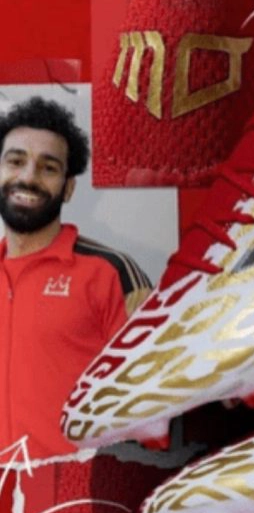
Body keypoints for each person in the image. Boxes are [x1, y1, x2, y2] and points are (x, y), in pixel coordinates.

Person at [0, 97, 151, 458]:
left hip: (74, 487)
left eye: (48, 168)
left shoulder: (111, 272)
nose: (28, 177)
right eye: (16, 161)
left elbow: (152, 397)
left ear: (68, 188)